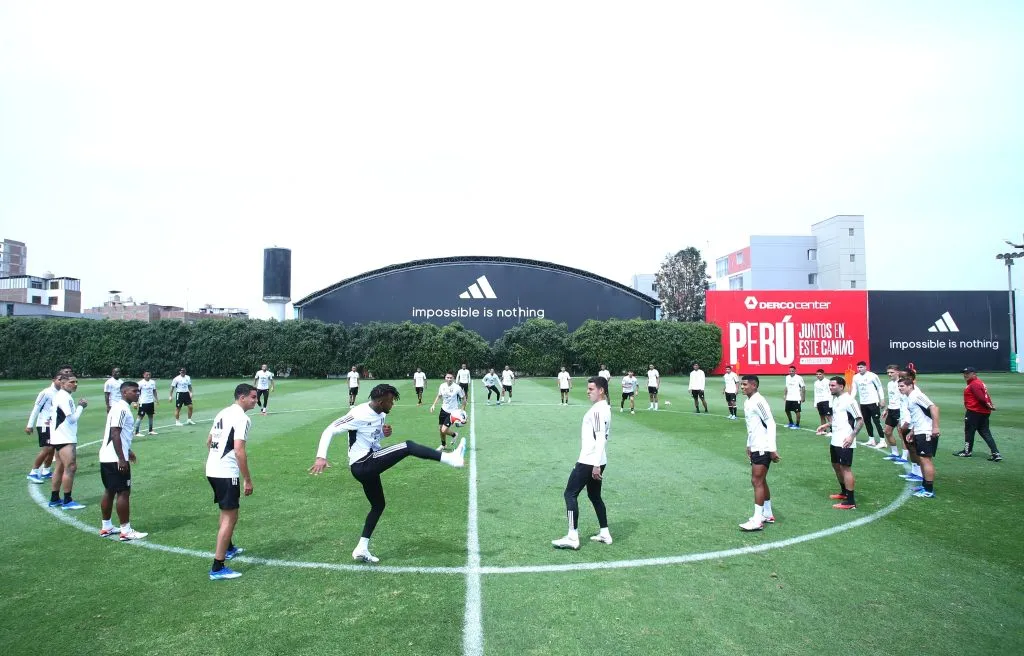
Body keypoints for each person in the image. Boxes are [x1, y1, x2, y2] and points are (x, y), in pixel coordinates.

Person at [309, 384, 465, 563]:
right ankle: (452, 459)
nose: (393, 405)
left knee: (378, 505)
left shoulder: (381, 414)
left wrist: (382, 434)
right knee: (407, 446)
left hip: (368, 464)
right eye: (390, 401)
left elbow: (371, 438)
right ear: (380, 401)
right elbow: (329, 430)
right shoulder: (357, 414)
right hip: (363, 463)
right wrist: (321, 457)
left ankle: (361, 548)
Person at [552, 376, 613, 549]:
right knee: (594, 496)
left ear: (601, 390)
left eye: (591, 389)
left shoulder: (597, 411)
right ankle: (605, 533)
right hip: (598, 459)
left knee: (569, 494)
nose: (588, 392)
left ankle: (572, 537)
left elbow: (600, 437)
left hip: (589, 460)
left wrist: (595, 464)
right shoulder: (604, 408)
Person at [205, 384, 258, 580]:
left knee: (225, 512)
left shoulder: (223, 412)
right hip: (226, 472)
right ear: (242, 397)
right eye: (253, 397)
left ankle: (228, 548)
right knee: (230, 517)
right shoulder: (242, 418)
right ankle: (218, 567)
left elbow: (209, 441)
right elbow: (238, 450)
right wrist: (248, 480)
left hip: (212, 469)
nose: (255, 400)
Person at [99, 381, 148, 541]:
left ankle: (106, 527)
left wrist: (128, 451)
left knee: (109, 490)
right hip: (115, 458)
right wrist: (121, 458)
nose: (137, 393)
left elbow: (118, 434)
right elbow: (115, 433)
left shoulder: (121, 407)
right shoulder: (120, 408)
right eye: (134, 391)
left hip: (107, 456)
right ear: (124, 392)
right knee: (123, 492)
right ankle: (126, 531)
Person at [738, 375, 779, 531]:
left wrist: (772, 448)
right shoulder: (748, 401)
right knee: (761, 480)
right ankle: (767, 513)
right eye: (742, 385)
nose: (742, 387)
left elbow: (771, 423)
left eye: (745, 385)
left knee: (756, 481)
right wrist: (749, 444)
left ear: (754, 385)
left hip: (763, 447)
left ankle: (757, 520)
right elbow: (752, 425)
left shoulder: (759, 401)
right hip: (755, 445)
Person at [816, 377, 863, 510]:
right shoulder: (836, 399)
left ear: (841, 387)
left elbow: (860, 420)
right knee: (836, 466)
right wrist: (826, 425)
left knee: (845, 468)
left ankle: (851, 501)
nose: (830, 388)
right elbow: (838, 419)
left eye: (833, 385)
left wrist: (852, 437)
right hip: (835, 439)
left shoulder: (849, 400)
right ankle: (844, 492)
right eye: (830, 385)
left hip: (845, 440)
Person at [48, 374, 88, 510]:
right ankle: (67, 500)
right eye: (72, 382)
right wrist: (81, 406)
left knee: (59, 468)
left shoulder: (60, 396)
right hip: (65, 437)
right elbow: (72, 419)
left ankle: (54, 498)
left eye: (76, 382)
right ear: (63, 383)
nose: (75, 384)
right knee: (70, 467)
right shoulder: (65, 397)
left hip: (58, 437)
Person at [898, 375, 941, 498]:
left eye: (902, 386)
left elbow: (933, 408)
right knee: (922, 459)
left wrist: (935, 427)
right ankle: (925, 485)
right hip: (919, 431)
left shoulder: (917, 395)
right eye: (899, 386)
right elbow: (918, 416)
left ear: (910, 386)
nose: (900, 388)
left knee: (925, 459)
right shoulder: (910, 398)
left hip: (926, 431)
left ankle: (928, 490)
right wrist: (912, 431)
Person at [25, 370, 68, 483]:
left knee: (52, 449)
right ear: (53, 380)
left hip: (54, 425)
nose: (61, 382)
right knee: (48, 448)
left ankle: (46, 471)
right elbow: (36, 408)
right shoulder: (46, 392)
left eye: (63, 380)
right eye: (59, 379)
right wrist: (30, 425)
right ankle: (33, 472)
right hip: (44, 424)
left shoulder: (62, 393)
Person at [954, 367, 1002, 461]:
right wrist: (989, 405)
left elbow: (981, 398)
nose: (965, 375)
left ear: (974, 374)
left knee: (969, 432)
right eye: (964, 373)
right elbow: (985, 396)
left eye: (967, 373)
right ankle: (996, 453)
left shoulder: (974, 384)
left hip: (974, 412)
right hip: (983, 412)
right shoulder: (978, 382)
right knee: (985, 432)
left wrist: (989, 405)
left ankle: (967, 452)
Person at [851, 361, 885, 446]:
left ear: (866, 367)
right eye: (858, 367)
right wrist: (851, 399)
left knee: (877, 422)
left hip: (873, 402)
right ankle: (871, 440)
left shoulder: (872, 376)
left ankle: (882, 441)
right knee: (867, 421)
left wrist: (882, 399)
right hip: (863, 403)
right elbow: (854, 389)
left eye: (861, 367)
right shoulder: (855, 377)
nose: (859, 369)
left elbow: (879, 387)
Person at [429, 372, 466, 450]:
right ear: (445, 378)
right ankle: (443, 445)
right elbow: (439, 396)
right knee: (440, 429)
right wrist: (433, 405)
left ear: (453, 378)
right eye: (447, 377)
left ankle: (454, 434)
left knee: (444, 429)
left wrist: (462, 411)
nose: (449, 379)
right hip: (443, 410)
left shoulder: (457, 387)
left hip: (453, 412)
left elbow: (463, 398)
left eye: (451, 378)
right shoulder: (442, 386)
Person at [880, 365, 906, 461]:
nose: (889, 374)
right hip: (891, 410)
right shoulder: (890, 384)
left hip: (900, 410)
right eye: (888, 372)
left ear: (898, 372)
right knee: (887, 432)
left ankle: (904, 456)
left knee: (901, 434)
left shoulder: (903, 383)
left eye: (891, 372)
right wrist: (886, 409)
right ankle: (894, 453)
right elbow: (892, 398)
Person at [135, 370, 159, 436]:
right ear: (144, 375)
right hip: (143, 402)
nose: (148, 376)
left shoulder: (152, 382)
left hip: (150, 402)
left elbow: (154, 391)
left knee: (151, 416)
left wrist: (156, 399)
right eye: (147, 375)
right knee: (140, 416)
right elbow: (137, 393)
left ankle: (150, 430)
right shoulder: (140, 383)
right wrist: (135, 402)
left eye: (149, 375)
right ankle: (136, 432)